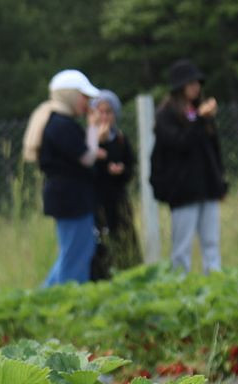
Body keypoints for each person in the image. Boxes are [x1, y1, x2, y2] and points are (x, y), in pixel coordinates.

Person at [22, 69, 107, 287]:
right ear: (70, 95)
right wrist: (93, 129)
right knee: (76, 254)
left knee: (74, 251)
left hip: (69, 197)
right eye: (84, 97)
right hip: (72, 198)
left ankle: (43, 299)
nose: (87, 103)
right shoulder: (61, 125)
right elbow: (86, 157)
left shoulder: (57, 122)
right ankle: (70, 303)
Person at [150, 59, 226, 274]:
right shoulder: (166, 115)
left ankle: (215, 282)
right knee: (182, 246)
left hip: (207, 188)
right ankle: (179, 286)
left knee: (211, 241)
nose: (196, 87)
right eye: (190, 83)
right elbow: (180, 144)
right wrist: (199, 120)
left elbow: (213, 151)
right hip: (182, 191)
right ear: (179, 86)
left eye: (197, 83)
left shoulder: (201, 113)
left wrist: (220, 183)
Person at [88, 90, 142, 280]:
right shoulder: (88, 140)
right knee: (102, 245)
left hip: (118, 200)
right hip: (98, 202)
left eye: (108, 112)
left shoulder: (120, 138)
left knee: (124, 240)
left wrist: (121, 170)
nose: (104, 117)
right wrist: (98, 147)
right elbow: (88, 171)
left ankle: (131, 275)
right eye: (100, 112)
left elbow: (131, 168)